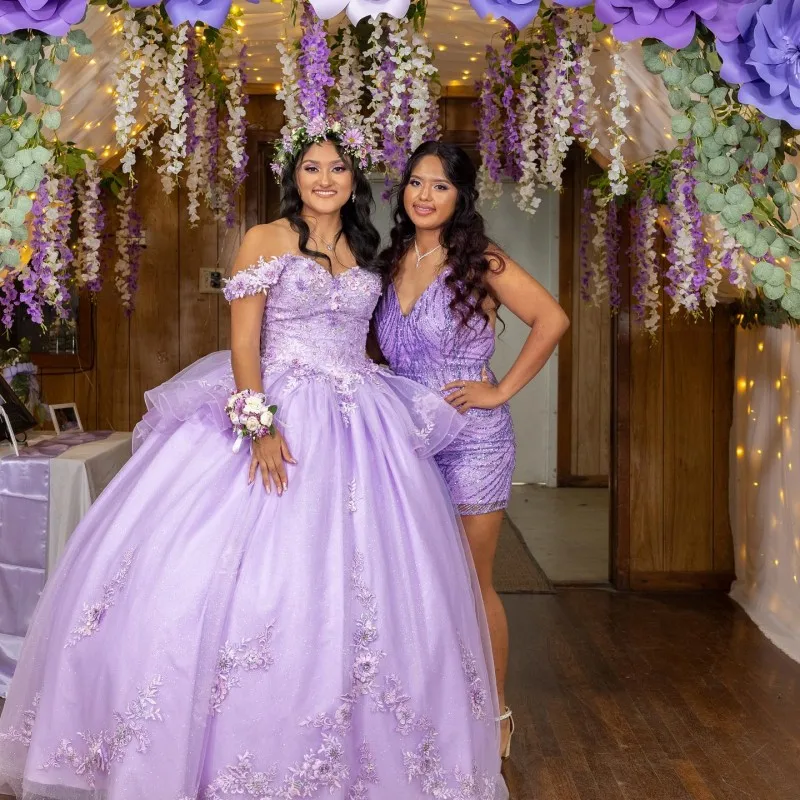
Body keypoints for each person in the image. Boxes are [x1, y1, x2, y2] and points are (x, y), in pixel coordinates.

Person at [0, 123, 507, 800]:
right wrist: (260, 425)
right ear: (293, 178)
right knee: (241, 576)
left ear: (354, 182)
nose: (324, 179)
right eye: (311, 168)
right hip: (280, 408)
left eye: (337, 169)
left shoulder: (365, 250)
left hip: (362, 423)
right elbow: (244, 345)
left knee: (375, 583)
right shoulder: (264, 239)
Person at [374, 141, 570, 760]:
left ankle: (495, 713)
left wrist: (501, 389)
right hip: (404, 439)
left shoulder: (480, 260)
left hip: (470, 439)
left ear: (460, 198)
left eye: (440, 185)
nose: (424, 195)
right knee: (411, 577)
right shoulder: (391, 260)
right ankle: (424, 710)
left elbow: (553, 319)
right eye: (415, 183)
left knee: (470, 577)